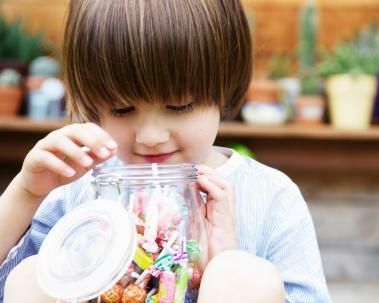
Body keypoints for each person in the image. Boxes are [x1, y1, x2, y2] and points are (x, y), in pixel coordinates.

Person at [0, 1, 331, 302]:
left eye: (179, 105)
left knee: (242, 274)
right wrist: (25, 194)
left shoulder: (270, 196)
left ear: (223, 89)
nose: (151, 136)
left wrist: (222, 272)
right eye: (122, 109)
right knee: (32, 277)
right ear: (93, 102)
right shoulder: (75, 190)